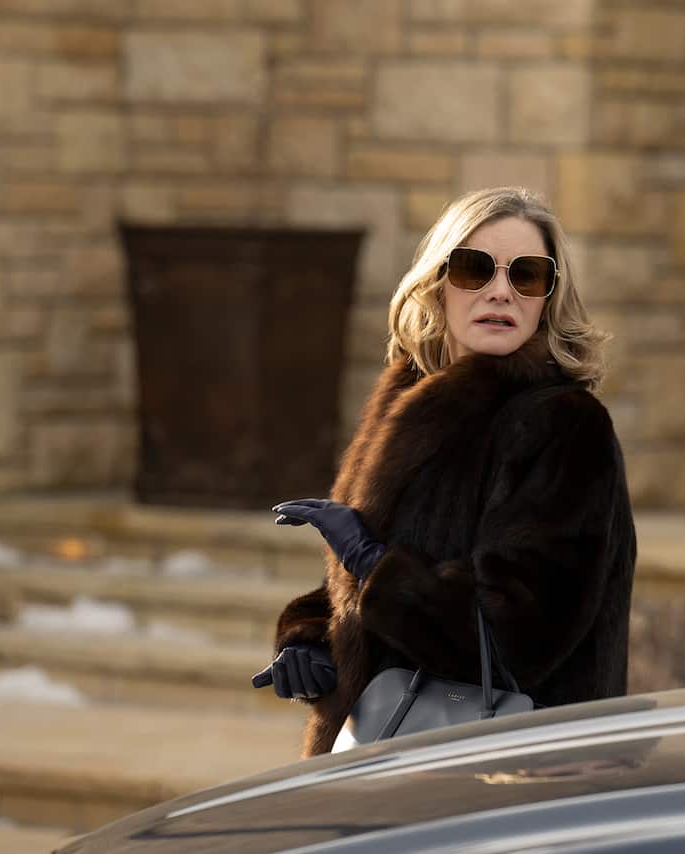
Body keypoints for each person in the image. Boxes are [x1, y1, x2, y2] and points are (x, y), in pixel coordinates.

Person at [252, 186, 638, 758]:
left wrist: (373, 565)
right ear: (438, 283)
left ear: (548, 298)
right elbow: (378, 590)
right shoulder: (412, 402)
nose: (500, 291)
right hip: (396, 759)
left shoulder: (564, 427)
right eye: (474, 269)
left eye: (526, 275)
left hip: (513, 777)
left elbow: (517, 643)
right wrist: (312, 642)